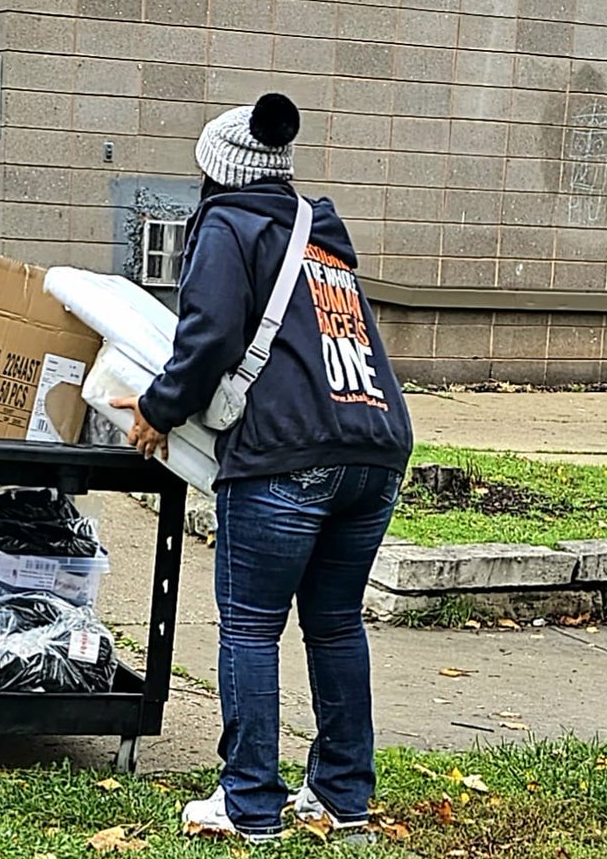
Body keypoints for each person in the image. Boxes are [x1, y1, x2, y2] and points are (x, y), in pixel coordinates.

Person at [113, 93, 413, 846]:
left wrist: (156, 409)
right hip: (375, 447)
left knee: (250, 628)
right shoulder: (319, 234)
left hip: (287, 454)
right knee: (336, 624)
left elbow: (209, 336)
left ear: (216, 170)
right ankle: (342, 796)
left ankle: (249, 802)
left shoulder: (228, 225)